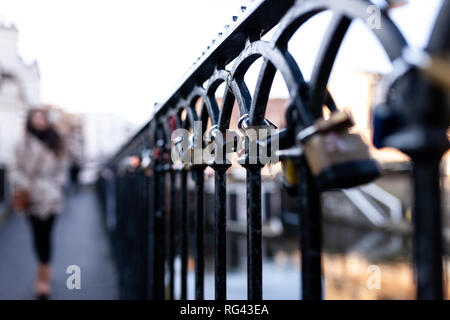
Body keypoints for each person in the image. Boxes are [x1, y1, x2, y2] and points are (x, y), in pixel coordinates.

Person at [10, 109, 67, 300]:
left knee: (46, 236)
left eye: (43, 117)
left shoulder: (56, 142)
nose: (40, 121)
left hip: (51, 197)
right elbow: (14, 169)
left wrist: (56, 185)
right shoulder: (21, 144)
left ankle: (42, 279)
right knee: (37, 236)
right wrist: (28, 185)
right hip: (31, 197)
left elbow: (62, 169)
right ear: (30, 121)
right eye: (36, 117)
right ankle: (44, 271)